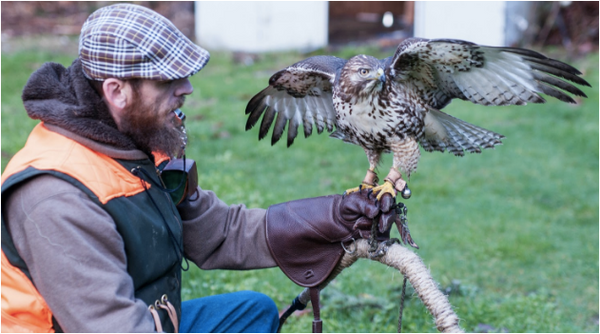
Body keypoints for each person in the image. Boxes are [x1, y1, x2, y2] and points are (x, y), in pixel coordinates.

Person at [1, 4, 399, 333]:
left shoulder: (131, 146)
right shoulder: (56, 197)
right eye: (168, 80)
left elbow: (222, 234)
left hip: (148, 322)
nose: (187, 88)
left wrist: (334, 218)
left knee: (253, 313)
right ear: (116, 91)